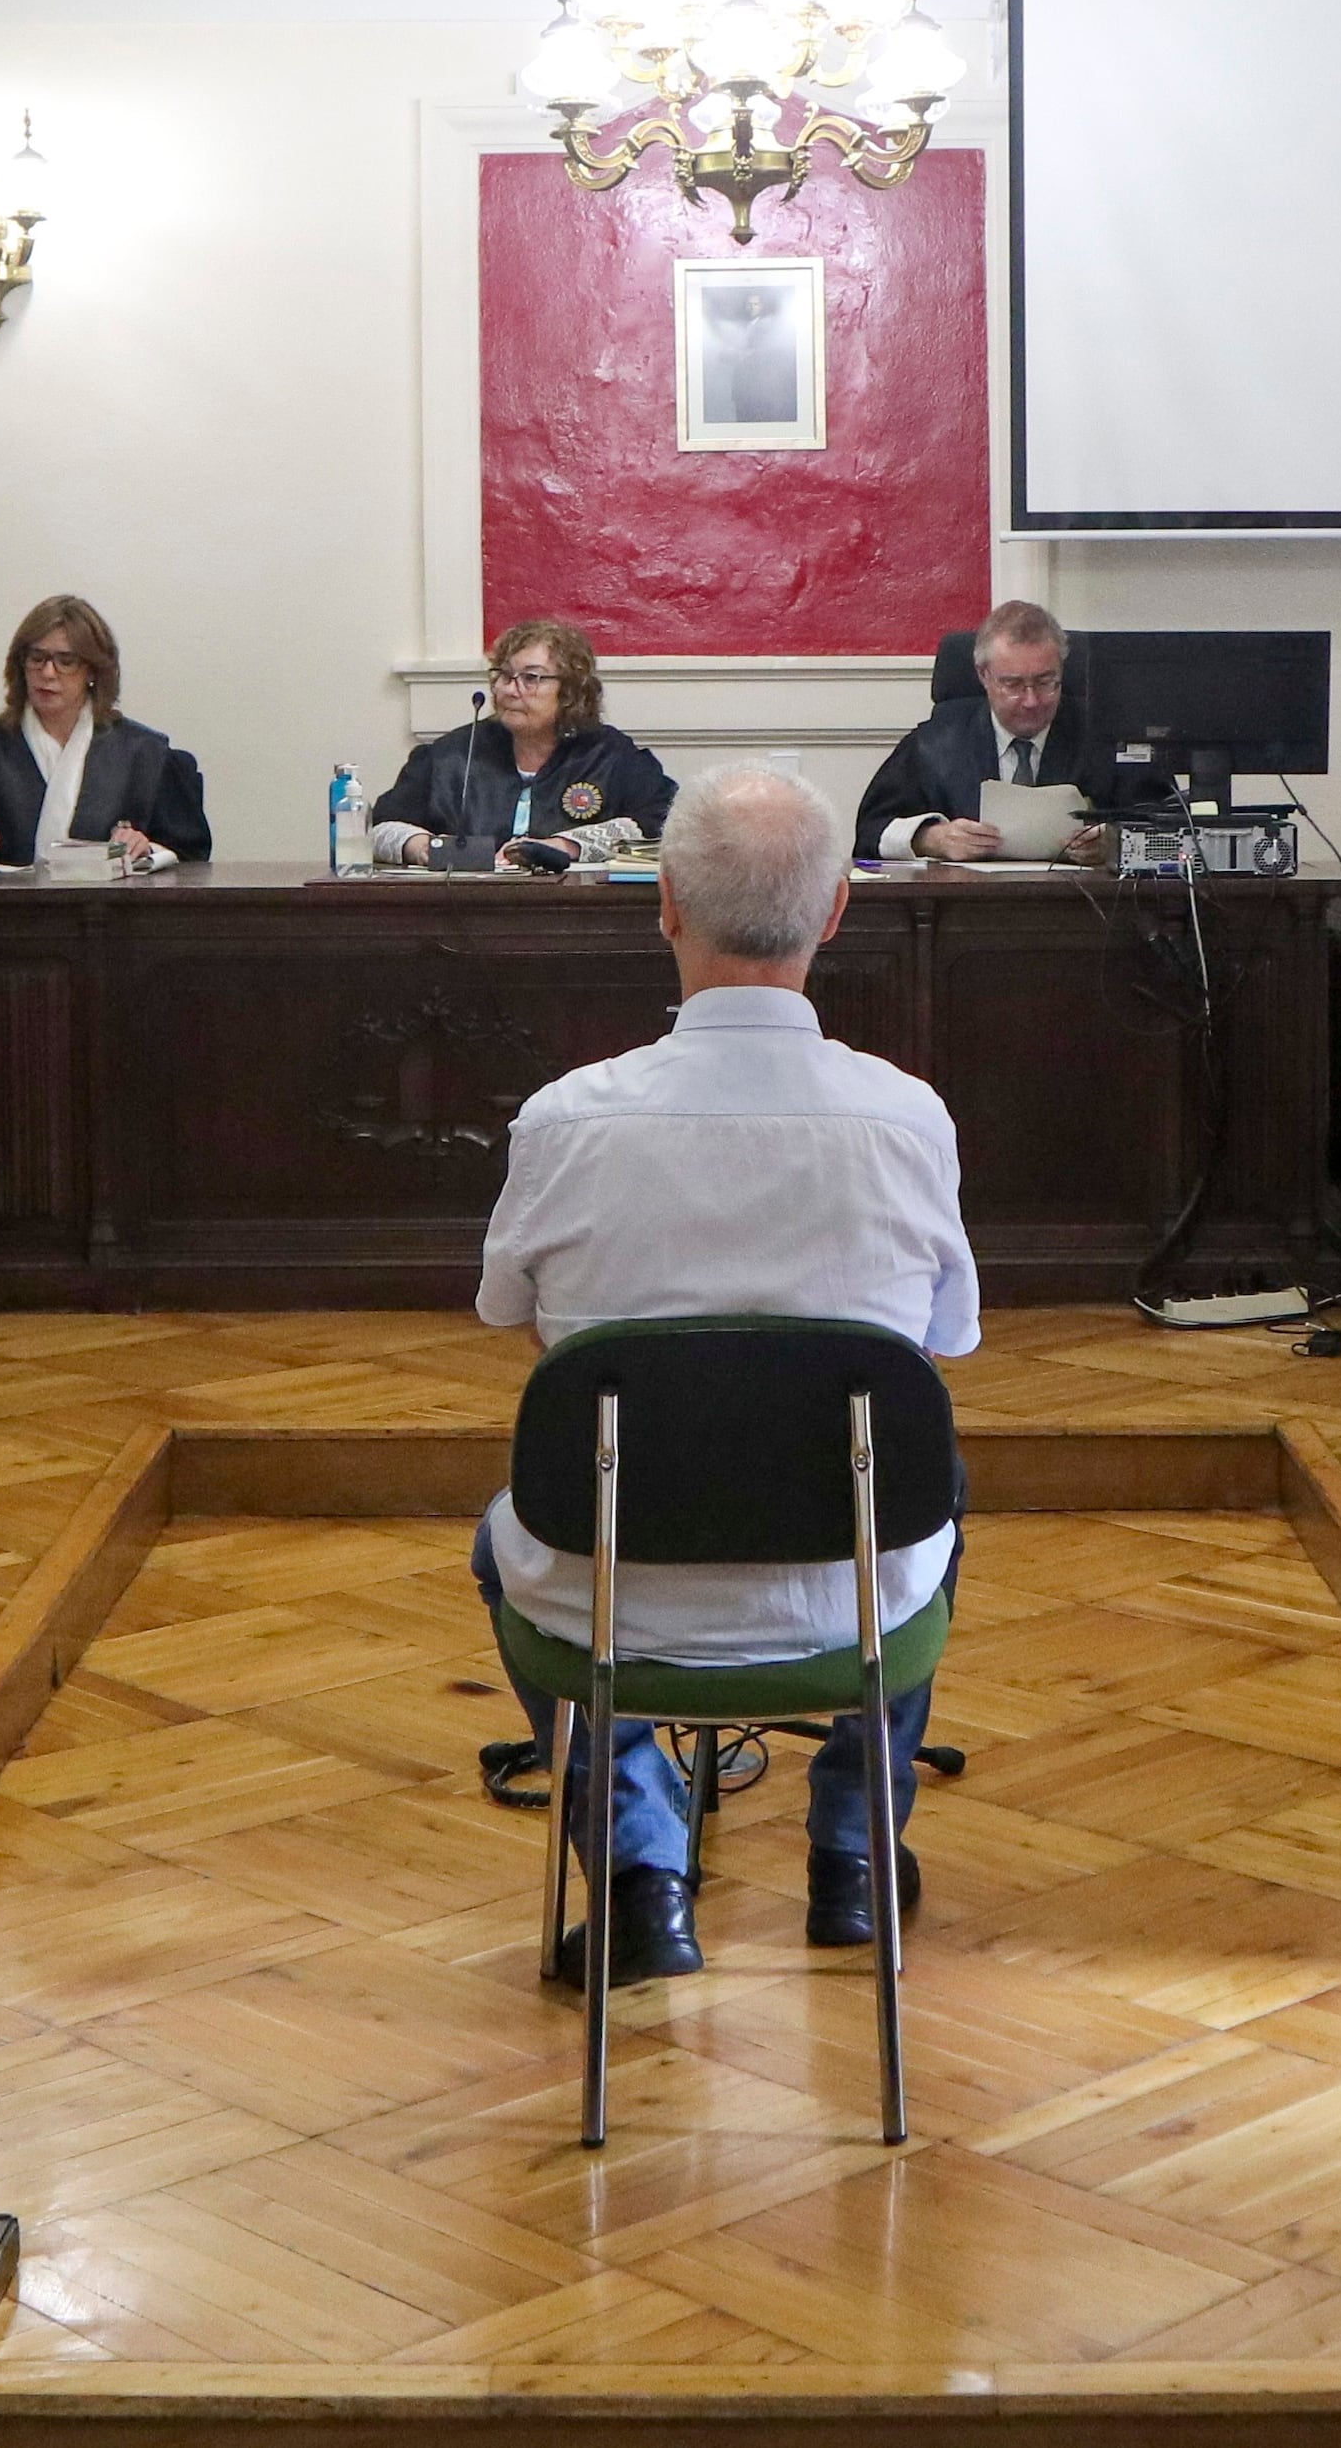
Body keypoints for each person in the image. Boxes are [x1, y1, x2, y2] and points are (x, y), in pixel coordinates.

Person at [471, 761, 975, 1983]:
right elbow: (941, 1342)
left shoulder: (562, 1117)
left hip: (609, 1597)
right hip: (843, 1598)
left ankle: (642, 1878)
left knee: (508, 1537)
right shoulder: (906, 1117)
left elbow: (509, 1315)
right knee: (936, 1491)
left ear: (663, 907)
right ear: (838, 908)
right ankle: (853, 1855)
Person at [0, 594, 209, 875]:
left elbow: (190, 853)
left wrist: (145, 847)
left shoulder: (144, 754)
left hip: (114, 927)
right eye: (37, 658)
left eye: (66, 661)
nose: (47, 673)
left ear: (93, 671)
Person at [368, 617, 679, 873]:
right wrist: (423, 847)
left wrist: (564, 846)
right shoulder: (451, 754)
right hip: (460, 915)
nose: (509, 690)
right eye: (503, 676)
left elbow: (662, 823)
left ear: (570, 690)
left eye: (531, 678)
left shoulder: (609, 755)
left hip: (573, 918)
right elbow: (382, 825)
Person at [855, 598, 1112, 863]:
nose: (1031, 700)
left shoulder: (1104, 740)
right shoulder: (934, 745)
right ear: (983, 675)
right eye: (1013, 684)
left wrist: (1113, 843)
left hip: (1077, 900)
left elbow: (1151, 822)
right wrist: (931, 839)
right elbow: (871, 833)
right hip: (965, 900)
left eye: (1045, 681)